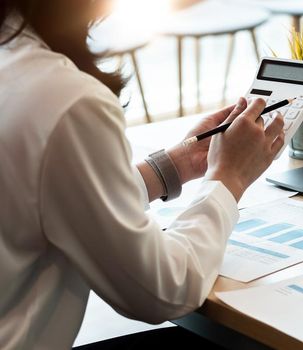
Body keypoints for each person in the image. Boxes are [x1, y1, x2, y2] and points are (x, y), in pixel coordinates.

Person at [0, 0, 285, 348]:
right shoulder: (64, 98)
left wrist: (173, 166)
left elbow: (47, 195)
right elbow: (164, 290)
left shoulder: (14, 59)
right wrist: (228, 178)